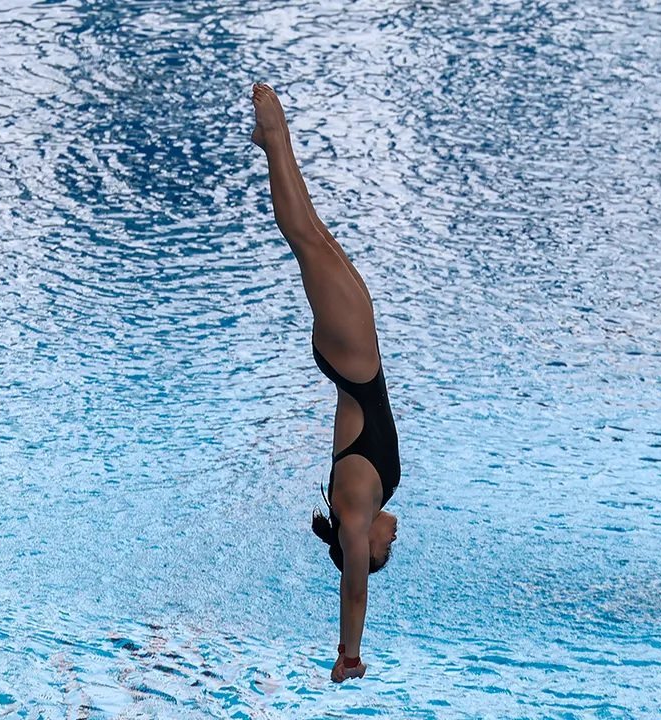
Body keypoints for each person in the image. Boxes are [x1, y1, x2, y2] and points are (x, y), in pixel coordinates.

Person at [250, 83, 401, 684]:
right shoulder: (364, 503)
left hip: (354, 360)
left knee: (306, 239)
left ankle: (274, 138)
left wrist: (349, 655)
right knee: (315, 234)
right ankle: (272, 142)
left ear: (362, 551)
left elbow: (354, 591)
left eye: (385, 551)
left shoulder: (356, 517)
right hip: (354, 361)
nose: (393, 539)